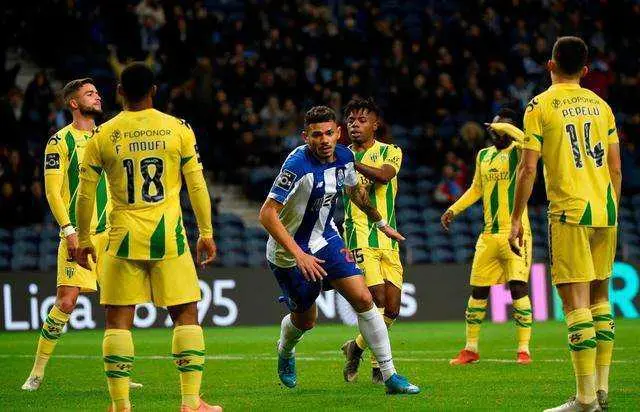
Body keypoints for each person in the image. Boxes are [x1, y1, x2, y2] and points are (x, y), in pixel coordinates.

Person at [75, 63, 220, 412]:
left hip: (121, 236)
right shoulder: (178, 129)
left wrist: (83, 238)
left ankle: (120, 405)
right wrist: (206, 232)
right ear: (154, 91)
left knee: (118, 320)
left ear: (119, 92)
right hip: (168, 236)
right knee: (185, 313)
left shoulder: (102, 135)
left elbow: (85, 194)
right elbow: (196, 185)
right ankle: (190, 403)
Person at [259, 105, 420, 395]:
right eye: (316, 135)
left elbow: (355, 192)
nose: (324, 140)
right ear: (306, 137)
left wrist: (381, 223)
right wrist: (299, 254)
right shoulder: (296, 165)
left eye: (329, 133)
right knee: (306, 321)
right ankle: (285, 349)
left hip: (326, 239)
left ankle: (390, 375)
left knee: (364, 298)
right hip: (288, 253)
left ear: (338, 133)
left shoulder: (345, 157)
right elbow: (267, 214)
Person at [510, 36, 621, 412]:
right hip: (605, 210)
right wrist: (611, 208)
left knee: (575, 303)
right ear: (585, 70)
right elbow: (616, 168)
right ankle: (601, 389)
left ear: (550, 65)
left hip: (570, 211)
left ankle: (585, 399)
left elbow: (528, 169)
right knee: (600, 299)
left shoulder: (539, 105)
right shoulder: (602, 106)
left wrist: (515, 218)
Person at [22, 78, 141, 392]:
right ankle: (36, 373)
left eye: (97, 92)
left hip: (112, 234)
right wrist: (68, 229)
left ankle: (120, 374)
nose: (97, 96)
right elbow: (52, 191)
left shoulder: (109, 137)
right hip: (78, 234)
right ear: (74, 103)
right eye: (89, 94)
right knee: (66, 301)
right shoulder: (59, 142)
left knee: (119, 305)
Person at [441, 108, 534, 366]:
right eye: (493, 126)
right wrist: (453, 209)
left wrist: (506, 127)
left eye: (500, 127)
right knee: (478, 290)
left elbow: (528, 141)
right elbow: (476, 189)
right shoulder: (484, 155)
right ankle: (470, 348)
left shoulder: (519, 153)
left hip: (516, 233)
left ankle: (523, 349)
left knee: (518, 288)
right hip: (489, 235)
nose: (494, 130)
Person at [339, 98, 404, 384]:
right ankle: (380, 365)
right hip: (359, 235)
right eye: (351, 120)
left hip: (388, 236)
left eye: (362, 120)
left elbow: (385, 177)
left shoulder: (391, 151)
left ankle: (355, 347)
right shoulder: (339, 158)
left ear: (375, 125)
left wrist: (352, 163)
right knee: (376, 300)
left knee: (392, 309)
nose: (355, 125)